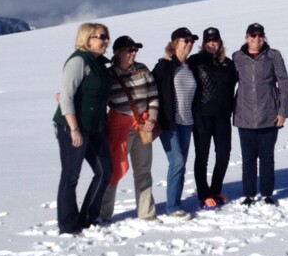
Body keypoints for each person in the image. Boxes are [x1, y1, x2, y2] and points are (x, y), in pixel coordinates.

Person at [52, 23, 114, 235]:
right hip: (73, 126)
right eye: (102, 37)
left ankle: (88, 217)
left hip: (95, 126)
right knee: (71, 175)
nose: (106, 41)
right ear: (88, 38)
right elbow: (66, 97)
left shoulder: (99, 64)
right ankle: (68, 225)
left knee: (105, 170)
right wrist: (74, 129)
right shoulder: (79, 60)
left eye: (107, 37)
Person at [99, 35, 159, 224]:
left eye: (135, 50)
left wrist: (152, 118)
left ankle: (146, 212)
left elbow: (154, 95)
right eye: (129, 50)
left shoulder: (142, 69)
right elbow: (100, 102)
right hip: (118, 127)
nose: (133, 53)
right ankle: (104, 213)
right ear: (118, 53)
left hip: (143, 126)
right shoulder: (108, 76)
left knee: (143, 170)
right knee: (114, 171)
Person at [233, 23, 288, 206]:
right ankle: (249, 194)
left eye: (260, 35)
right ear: (246, 37)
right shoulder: (237, 57)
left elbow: (284, 83)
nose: (256, 39)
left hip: (269, 115)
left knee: (267, 158)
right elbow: (225, 81)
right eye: (253, 35)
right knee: (248, 158)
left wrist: (283, 111)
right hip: (245, 116)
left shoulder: (273, 56)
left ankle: (266, 193)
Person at [188, 27, 239, 210]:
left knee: (224, 155)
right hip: (202, 116)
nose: (212, 43)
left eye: (215, 40)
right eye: (208, 40)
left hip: (223, 116)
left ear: (220, 41)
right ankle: (204, 193)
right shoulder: (195, 61)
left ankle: (216, 189)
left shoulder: (228, 63)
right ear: (203, 43)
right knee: (202, 156)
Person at [152, 27, 200, 219]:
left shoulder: (190, 67)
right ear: (174, 43)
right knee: (177, 161)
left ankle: (176, 203)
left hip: (187, 122)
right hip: (169, 123)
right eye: (185, 40)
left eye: (191, 41)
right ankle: (172, 207)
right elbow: (151, 89)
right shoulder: (164, 66)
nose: (189, 44)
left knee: (180, 164)